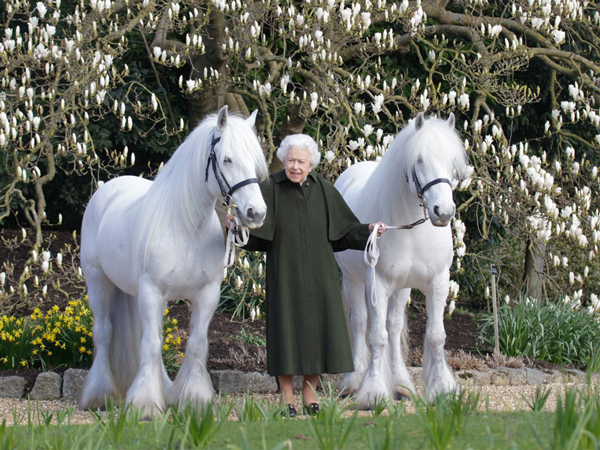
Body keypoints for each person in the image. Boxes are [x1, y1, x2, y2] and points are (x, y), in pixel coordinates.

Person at [226, 134, 386, 417]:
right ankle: (287, 395)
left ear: (311, 163)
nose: (295, 166)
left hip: (320, 275)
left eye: (300, 161)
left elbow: (345, 231)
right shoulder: (271, 188)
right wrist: (234, 226)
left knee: (317, 334)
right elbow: (253, 234)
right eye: (290, 160)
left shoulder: (324, 189)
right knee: (285, 333)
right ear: (283, 161)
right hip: (283, 274)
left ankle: (310, 392)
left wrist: (370, 229)